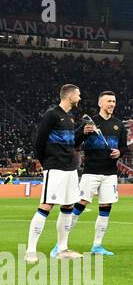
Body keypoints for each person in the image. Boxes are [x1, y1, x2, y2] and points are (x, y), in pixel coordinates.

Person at [26, 84, 87, 264]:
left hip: (70, 168)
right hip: (55, 168)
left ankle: (62, 248)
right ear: (69, 96)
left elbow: (71, 142)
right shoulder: (52, 114)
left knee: (68, 206)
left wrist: (83, 133)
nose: (80, 98)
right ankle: (30, 250)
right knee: (46, 206)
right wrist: (46, 164)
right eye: (78, 95)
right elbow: (39, 140)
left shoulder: (69, 117)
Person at [68, 90, 125, 257]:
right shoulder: (90, 123)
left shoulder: (118, 124)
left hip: (110, 173)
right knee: (80, 204)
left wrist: (119, 153)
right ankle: (61, 243)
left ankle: (97, 245)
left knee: (106, 207)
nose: (112, 104)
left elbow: (124, 147)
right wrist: (82, 132)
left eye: (114, 101)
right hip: (91, 172)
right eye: (109, 101)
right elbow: (74, 142)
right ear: (100, 103)